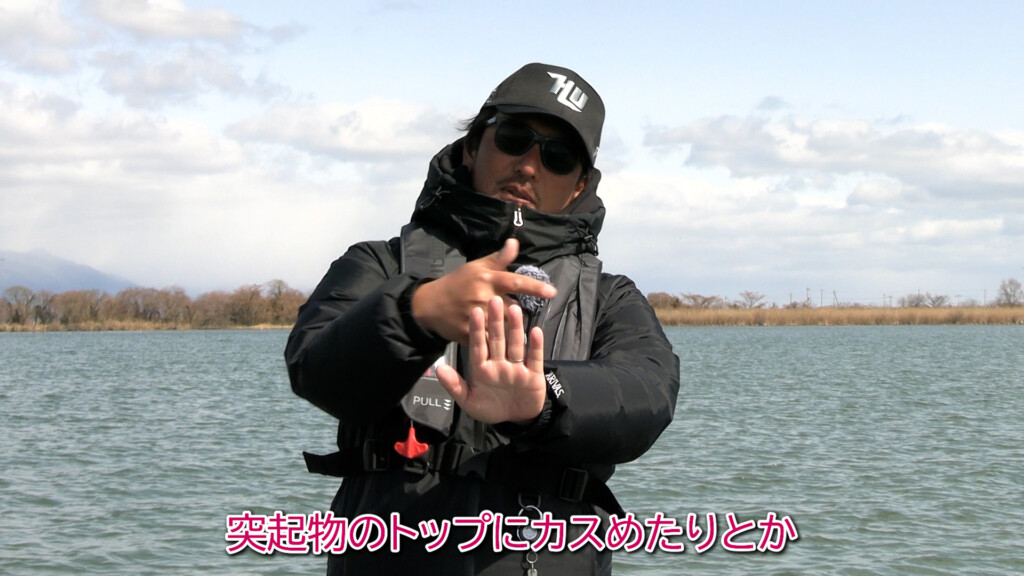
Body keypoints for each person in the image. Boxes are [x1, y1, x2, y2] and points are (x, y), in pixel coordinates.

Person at [285, 63, 680, 575]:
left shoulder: (611, 298)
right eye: (514, 138)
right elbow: (314, 367)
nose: (530, 166)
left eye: (558, 156)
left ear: (580, 185)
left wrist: (545, 400)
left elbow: (648, 393)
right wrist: (414, 314)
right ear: (472, 147)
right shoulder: (380, 264)